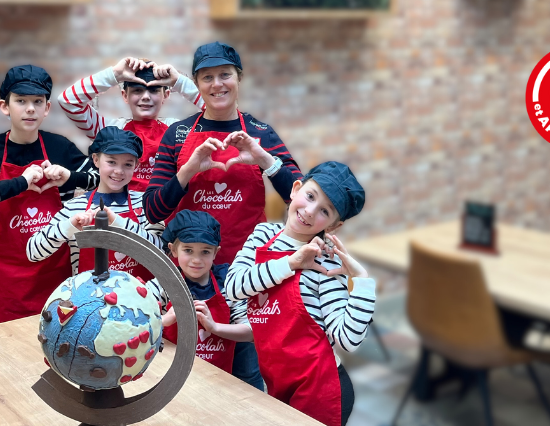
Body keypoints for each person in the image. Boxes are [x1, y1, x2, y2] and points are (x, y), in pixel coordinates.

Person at [143, 41, 305, 391]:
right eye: (207, 77)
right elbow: (152, 208)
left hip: (246, 278)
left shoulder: (260, 133)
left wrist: (263, 159)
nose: (217, 84)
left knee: (247, 377)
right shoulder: (178, 134)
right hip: (188, 275)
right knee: (178, 374)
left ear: (239, 78)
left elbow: (301, 198)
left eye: (225, 75)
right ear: (197, 84)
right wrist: (188, 170)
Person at [226, 161, 376, 426]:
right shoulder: (263, 235)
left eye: (325, 211)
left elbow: (348, 340)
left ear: (334, 226)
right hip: (278, 382)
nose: (309, 211)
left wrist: (362, 281)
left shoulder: (325, 264)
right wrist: (291, 263)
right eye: (310, 196)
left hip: (321, 390)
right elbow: (234, 287)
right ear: (296, 189)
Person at [0, 65, 99, 326]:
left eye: (37, 102)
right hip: (5, 284)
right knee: (3, 346)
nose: (30, 109)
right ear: (5, 106)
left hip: (54, 277)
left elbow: (100, 177)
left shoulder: (60, 148)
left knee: (56, 341)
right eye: (21, 101)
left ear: (47, 108)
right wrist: (20, 183)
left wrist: (69, 177)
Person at [26, 127, 161, 282]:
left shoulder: (146, 204)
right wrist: (70, 225)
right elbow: (33, 252)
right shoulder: (74, 207)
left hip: (139, 296)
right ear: (96, 160)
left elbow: (161, 252)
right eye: (111, 162)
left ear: (136, 165)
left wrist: (118, 222)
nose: (119, 171)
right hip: (87, 296)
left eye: (128, 164)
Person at [58, 57, 204, 193]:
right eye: (137, 90)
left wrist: (178, 81)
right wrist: (115, 74)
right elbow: (68, 101)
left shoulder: (179, 130)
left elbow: (214, 109)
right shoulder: (108, 130)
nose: (145, 97)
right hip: (118, 210)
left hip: (165, 209)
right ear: (124, 95)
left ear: (165, 95)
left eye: (153, 90)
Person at [145, 210, 253, 377]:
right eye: (188, 250)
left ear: (215, 252)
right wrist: (164, 320)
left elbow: (251, 332)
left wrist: (214, 327)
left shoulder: (229, 286)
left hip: (218, 380)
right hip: (169, 378)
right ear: (173, 250)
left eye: (205, 251)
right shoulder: (163, 285)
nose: (196, 260)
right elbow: (133, 326)